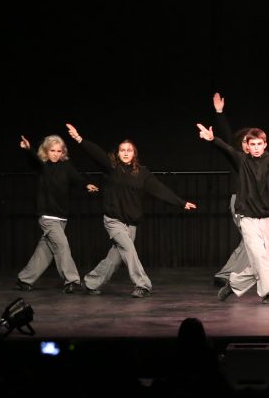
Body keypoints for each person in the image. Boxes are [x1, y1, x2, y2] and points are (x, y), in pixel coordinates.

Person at [66, 123, 196, 298]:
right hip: (113, 220)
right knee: (129, 251)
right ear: (117, 153)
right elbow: (96, 153)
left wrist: (181, 202)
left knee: (115, 258)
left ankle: (91, 282)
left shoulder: (142, 173)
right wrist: (79, 139)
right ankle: (143, 284)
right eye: (122, 150)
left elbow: (159, 189)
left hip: (131, 224)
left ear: (134, 154)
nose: (126, 152)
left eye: (129, 150)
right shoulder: (112, 168)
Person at [207, 93, 269, 298]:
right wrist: (213, 139)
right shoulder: (241, 160)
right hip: (248, 217)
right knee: (260, 257)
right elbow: (227, 147)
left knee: (263, 260)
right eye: (251, 144)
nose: (255, 148)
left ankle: (234, 284)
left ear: (265, 144)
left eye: (259, 144)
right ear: (247, 145)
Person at [14, 133, 98, 294]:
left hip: (61, 217)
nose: (55, 154)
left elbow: (77, 178)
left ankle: (24, 279)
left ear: (63, 152)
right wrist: (28, 149)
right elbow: (34, 160)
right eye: (52, 150)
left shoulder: (66, 166)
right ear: (46, 151)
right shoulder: (43, 165)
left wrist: (87, 184)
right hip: (47, 217)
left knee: (45, 251)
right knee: (62, 246)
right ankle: (71, 280)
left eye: (59, 151)